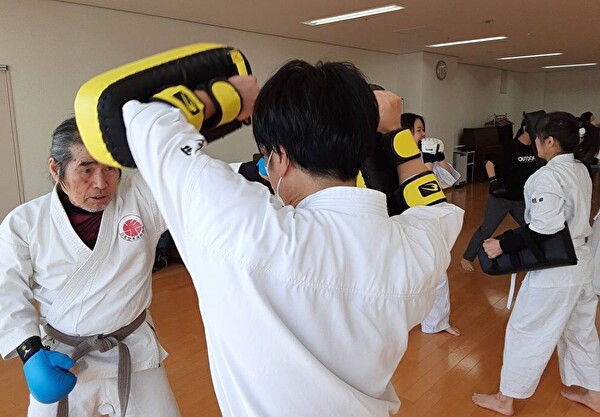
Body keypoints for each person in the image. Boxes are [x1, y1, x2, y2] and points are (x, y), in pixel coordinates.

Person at [115, 59, 464, 416]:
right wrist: (394, 131)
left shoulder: (247, 232)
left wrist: (229, 97)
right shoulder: (417, 249)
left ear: (280, 157)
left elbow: (142, 117)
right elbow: (435, 208)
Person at [0, 118, 181, 417]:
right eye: (86, 169)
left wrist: (254, 171)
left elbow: (194, 184)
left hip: (132, 347)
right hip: (64, 356)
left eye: (110, 168)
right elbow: (6, 293)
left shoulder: (139, 197)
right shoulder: (24, 223)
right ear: (56, 169)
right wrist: (30, 354)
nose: (101, 183)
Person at [473, 112, 600, 415]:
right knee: (580, 331)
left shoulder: (547, 176)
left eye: (538, 138)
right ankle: (595, 393)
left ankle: (506, 399)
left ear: (550, 142)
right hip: (582, 264)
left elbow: (544, 227)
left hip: (557, 271)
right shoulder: (580, 169)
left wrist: (502, 244)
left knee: (526, 330)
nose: (535, 143)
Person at [400, 113, 461, 336]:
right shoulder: (397, 159)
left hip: (429, 223)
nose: (423, 134)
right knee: (405, 275)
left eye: (423, 129)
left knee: (438, 272)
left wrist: (439, 157)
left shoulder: (425, 153)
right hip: (406, 221)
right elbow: (416, 187)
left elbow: (448, 181)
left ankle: (437, 322)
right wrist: (425, 161)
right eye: (418, 130)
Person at [460, 118, 539, 272]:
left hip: (521, 199)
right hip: (501, 198)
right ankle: (467, 258)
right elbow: (490, 163)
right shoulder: (509, 146)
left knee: (531, 226)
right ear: (525, 128)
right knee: (486, 230)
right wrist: (493, 182)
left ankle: (534, 256)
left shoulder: (536, 150)